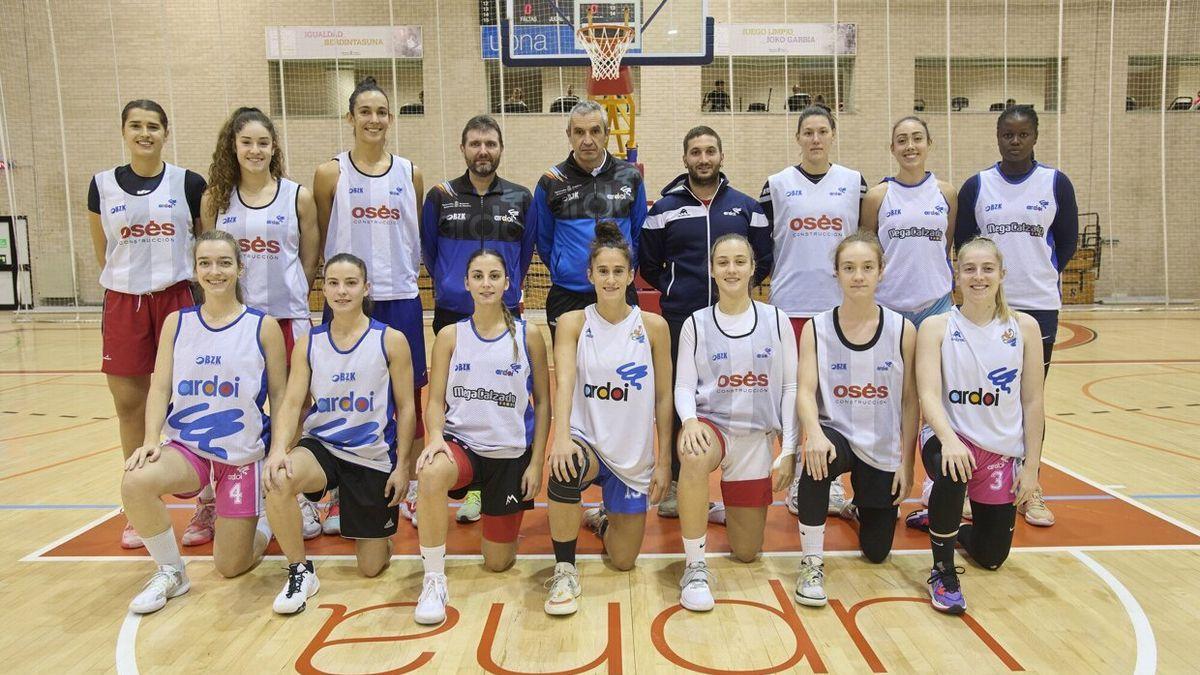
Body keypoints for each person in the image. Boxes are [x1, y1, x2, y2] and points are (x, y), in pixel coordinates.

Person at [121, 229, 286, 614]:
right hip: (188, 449)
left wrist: (279, 449)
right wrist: (149, 438)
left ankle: (265, 523)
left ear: (240, 268)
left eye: (224, 262)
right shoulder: (177, 323)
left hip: (242, 456)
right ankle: (170, 570)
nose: (215, 271)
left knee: (231, 566)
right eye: (205, 263)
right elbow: (160, 387)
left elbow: (280, 395)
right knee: (136, 480)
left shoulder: (263, 326)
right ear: (194, 271)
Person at [262, 253, 416, 615]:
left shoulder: (390, 340)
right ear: (324, 289)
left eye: (350, 283)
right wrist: (278, 450)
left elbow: (408, 408)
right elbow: (293, 402)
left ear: (366, 288)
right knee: (279, 478)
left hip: (370, 456)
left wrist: (403, 466)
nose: (342, 291)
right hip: (323, 447)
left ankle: (366, 524)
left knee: (371, 567)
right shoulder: (309, 343)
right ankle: (300, 570)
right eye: (333, 283)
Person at [88, 99, 208, 549]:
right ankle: (137, 506)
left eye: (153, 126)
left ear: (165, 132)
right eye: (136, 125)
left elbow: (205, 238)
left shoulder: (188, 183)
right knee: (130, 407)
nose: (145, 133)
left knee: (193, 399)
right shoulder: (101, 186)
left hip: (176, 298)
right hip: (124, 301)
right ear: (123, 131)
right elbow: (103, 251)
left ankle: (208, 499)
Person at [904, 237, 1045, 614]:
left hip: (1000, 451)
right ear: (956, 274)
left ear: (1002, 274)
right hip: (949, 437)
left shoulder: (1025, 328)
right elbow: (928, 396)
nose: (978, 277)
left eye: (987, 269)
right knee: (954, 469)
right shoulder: (936, 327)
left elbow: (1032, 402)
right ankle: (942, 570)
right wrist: (949, 439)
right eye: (969, 268)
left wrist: (1031, 469)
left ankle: (939, 519)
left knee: (992, 556)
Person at [200, 106, 322, 538]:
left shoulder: (297, 196)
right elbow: (211, 258)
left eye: (263, 142)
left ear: (274, 147)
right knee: (239, 408)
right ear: (232, 146)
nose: (255, 150)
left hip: (289, 317)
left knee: (297, 407)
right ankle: (227, 498)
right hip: (238, 323)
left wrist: (295, 291)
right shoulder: (217, 199)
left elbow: (309, 256)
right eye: (246, 142)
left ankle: (297, 496)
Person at [411, 249, 550, 625]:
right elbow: (435, 399)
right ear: (466, 282)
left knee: (498, 562)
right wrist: (435, 436)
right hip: (463, 448)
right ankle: (434, 579)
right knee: (429, 473)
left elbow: (545, 402)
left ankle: (498, 514)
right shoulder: (449, 335)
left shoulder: (528, 335)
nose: (486, 283)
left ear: (509, 283)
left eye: (494, 276)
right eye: (478, 275)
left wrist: (536, 462)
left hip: (510, 455)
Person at [639, 126, 772, 518]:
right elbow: (648, 263)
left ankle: (739, 481)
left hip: (736, 321)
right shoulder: (663, 209)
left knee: (739, 395)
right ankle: (678, 485)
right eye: (695, 152)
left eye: (710, 151)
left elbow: (762, 259)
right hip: (682, 320)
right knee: (685, 400)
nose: (703, 158)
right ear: (685, 159)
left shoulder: (747, 207)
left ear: (721, 156)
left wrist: (735, 295)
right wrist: (675, 287)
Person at [955, 105, 1077, 527]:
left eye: (1022, 134)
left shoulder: (1055, 183)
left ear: (1035, 136)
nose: (1015, 141)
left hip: (1038, 304)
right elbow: (964, 246)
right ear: (997, 136)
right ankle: (976, 484)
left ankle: (1030, 486)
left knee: (1029, 398)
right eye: (1007, 134)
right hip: (983, 305)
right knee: (980, 393)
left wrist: (1034, 276)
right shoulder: (978, 186)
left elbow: (1067, 242)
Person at [543, 222, 673, 616]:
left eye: (619, 271)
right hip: (588, 443)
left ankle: (601, 522)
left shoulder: (652, 327)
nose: (611, 279)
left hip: (631, 456)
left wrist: (664, 461)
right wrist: (561, 438)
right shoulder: (572, 324)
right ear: (590, 275)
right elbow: (563, 384)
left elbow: (664, 399)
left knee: (623, 559)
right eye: (603, 271)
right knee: (564, 470)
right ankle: (564, 570)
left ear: (630, 274)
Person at [313, 76, 426, 531]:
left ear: (390, 119)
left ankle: (410, 481)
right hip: (346, 300)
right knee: (336, 393)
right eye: (365, 112)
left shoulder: (410, 172)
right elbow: (323, 233)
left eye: (382, 112)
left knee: (406, 395)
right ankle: (335, 488)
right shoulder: (330, 173)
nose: (374, 120)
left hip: (399, 295)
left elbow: (412, 233)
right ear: (351, 118)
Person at [792, 232, 917, 607]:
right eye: (849, 268)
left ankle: (858, 505)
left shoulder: (903, 330)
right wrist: (812, 433)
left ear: (881, 272)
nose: (858, 276)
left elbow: (911, 402)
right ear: (837, 273)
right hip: (837, 436)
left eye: (867, 268)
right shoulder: (817, 327)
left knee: (877, 552)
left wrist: (906, 465)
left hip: (880, 444)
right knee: (817, 460)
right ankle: (812, 562)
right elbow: (804, 391)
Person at [673, 234, 797, 612]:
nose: (731, 269)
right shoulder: (696, 322)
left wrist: (789, 449)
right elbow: (682, 385)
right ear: (711, 270)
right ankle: (694, 567)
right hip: (714, 429)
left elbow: (790, 386)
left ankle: (715, 507)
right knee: (691, 454)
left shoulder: (776, 319)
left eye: (739, 261)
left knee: (746, 553)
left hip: (756, 439)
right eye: (723, 262)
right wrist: (690, 420)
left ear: (752, 267)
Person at [422, 114, 535, 524]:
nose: (482, 151)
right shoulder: (440, 195)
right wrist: (455, 285)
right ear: (463, 148)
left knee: (503, 396)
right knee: (461, 399)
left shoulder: (522, 198)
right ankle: (471, 489)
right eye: (475, 144)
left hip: (504, 311)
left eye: (490, 143)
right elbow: (430, 253)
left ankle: (503, 478)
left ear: (501, 148)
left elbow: (525, 253)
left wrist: (504, 291)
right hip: (456, 309)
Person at [760, 105, 868, 517]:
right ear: (799, 138)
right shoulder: (777, 185)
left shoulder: (854, 184)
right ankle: (794, 469)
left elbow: (866, 243)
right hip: (790, 304)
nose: (816, 139)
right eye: (808, 132)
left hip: (840, 307)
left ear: (833, 135)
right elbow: (761, 245)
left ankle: (832, 477)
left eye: (823, 131)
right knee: (793, 394)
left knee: (835, 394)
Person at [533, 100, 647, 339]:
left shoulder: (630, 176)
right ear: (569, 135)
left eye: (595, 131)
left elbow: (638, 234)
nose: (587, 140)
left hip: (618, 291)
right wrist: (564, 267)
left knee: (622, 367)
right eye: (579, 132)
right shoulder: (551, 181)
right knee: (570, 371)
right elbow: (544, 241)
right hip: (568, 293)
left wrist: (620, 269)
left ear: (606, 134)